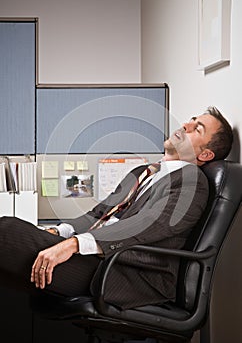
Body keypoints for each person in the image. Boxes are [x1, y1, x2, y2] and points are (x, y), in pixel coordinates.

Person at [0, 106, 233, 309]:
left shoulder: (191, 180)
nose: (185, 126)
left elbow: (150, 223)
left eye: (197, 128)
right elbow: (98, 214)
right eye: (190, 120)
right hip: (103, 259)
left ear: (205, 154)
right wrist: (60, 232)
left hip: (126, 273)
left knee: (7, 231)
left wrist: (73, 245)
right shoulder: (142, 173)